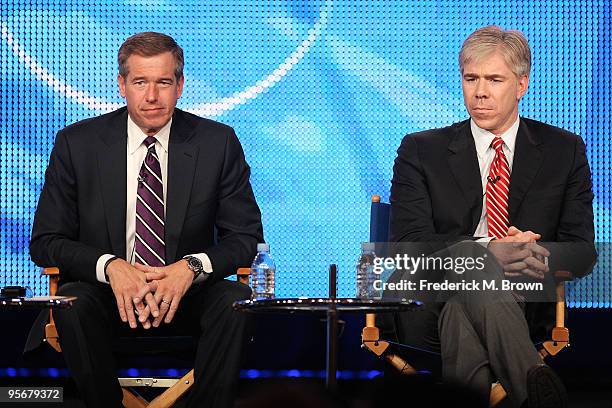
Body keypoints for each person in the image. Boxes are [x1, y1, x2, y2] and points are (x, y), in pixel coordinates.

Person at [29, 32, 263, 408]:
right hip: (107, 297)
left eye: (163, 82)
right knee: (71, 299)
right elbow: (45, 241)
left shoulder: (217, 143)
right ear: (121, 85)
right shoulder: (77, 144)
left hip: (188, 298)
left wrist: (190, 268)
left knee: (236, 299)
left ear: (180, 85)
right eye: (140, 82)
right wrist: (111, 267)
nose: (152, 96)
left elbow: (245, 237)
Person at [389, 26, 596, 408]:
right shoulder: (422, 149)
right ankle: (534, 386)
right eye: (471, 78)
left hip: (524, 300)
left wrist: (529, 256)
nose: (480, 92)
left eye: (494, 79)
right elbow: (406, 245)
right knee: (475, 269)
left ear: (521, 85)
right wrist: (487, 253)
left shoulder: (563, 150)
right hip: (429, 300)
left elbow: (582, 251)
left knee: (463, 308)